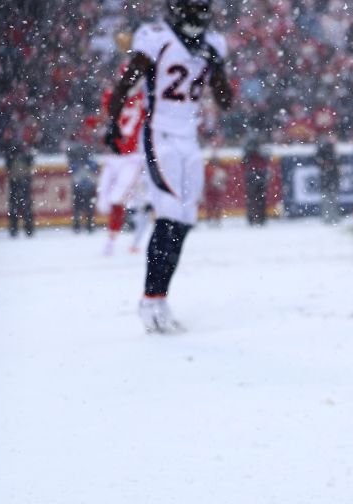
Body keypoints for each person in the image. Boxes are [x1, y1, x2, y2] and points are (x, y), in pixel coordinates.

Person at [105, 0, 233, 333]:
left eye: (203, 9)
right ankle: (150, 300)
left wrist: (216, 66)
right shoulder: (155, 36)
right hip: (160, 133)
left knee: (185, 219)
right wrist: (113, 123)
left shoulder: (213, 43)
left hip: (189, 138)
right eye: (193, 8)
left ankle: (161, 297)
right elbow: (127, 81)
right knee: (169, 213)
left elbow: (225, 101)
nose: (199, 15)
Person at [95, 30, 149, 255]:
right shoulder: (112, 95)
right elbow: (102, 117)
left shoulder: (144, 98)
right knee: (103, 203)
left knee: (121, 199)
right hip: (114, 156)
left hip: (133, 158)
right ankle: (134, 237)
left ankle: (115, 241)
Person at [67, 138, 99, 234]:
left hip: (86, 187)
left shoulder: (89, 162)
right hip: (80, 187)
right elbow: (72, 169)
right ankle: (80, 226)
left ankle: (88, 225)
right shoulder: (76, 162)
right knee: (80, 209)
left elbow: (94, 168)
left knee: (86, 208)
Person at [4, 140, 34, 238]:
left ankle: (23, 229)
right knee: (20, 209)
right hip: (17, 183)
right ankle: (23, 229)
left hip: (20, 183)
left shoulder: (18, 157)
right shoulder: (14, 157)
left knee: (20, 210)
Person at [242, 135, 268, 226]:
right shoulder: (249, 150)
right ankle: (253, 218)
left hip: (258, 173)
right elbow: (244, 160)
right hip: (254, 174)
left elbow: (267, 158)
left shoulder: (263, 150)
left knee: (259, 198)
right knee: (253, 197)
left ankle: (260, 217)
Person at [316, 133, 340, 224]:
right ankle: (329, 217)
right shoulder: (326, 149)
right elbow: (320, 160)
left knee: (331, 197)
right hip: (328, 177)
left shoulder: (331, 149)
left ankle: (331, 217)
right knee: (328, 197)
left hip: (330, 177)